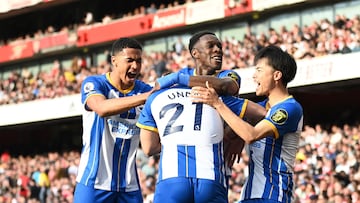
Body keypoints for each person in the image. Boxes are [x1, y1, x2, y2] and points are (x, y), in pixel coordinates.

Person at [136, 31, 266, 203]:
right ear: (195, 53)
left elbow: (149, 148)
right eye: (211, 46)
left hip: (171, 177)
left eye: (219, 46)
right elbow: (259, 112)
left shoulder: (174, 84)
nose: (218, 50)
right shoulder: (220, 96)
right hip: (211, 176)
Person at [191, 45, 303, 203]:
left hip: (272, 194)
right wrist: (234, 137)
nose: (254, 76)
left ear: (276, 75)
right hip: (251, 194)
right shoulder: (262, 107)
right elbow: (236, 132)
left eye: (259, 70)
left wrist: (218, 103)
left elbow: (251, 135)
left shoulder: (289, 108)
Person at [73, 37, 157, 203]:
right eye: (130, 60)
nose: (135, 66)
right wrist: (145, 97)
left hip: (129, 185)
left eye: (139, 61)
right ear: (114, 61)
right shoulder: (95, 83)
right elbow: (102, 108)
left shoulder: (144, 90)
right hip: (93, 181)